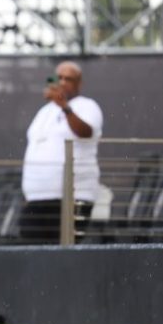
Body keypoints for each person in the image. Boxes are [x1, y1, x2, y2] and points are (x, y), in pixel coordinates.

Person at [19, 61, 103, 243]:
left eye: (69, 79)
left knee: (62, 249)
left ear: (79, 83)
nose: (63, 82)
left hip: (71, 197)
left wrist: (64, 106)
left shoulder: (87, 106)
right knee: (31, 252)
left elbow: (85, 132)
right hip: (36, 198)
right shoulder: (44, 111)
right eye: (59, 78)